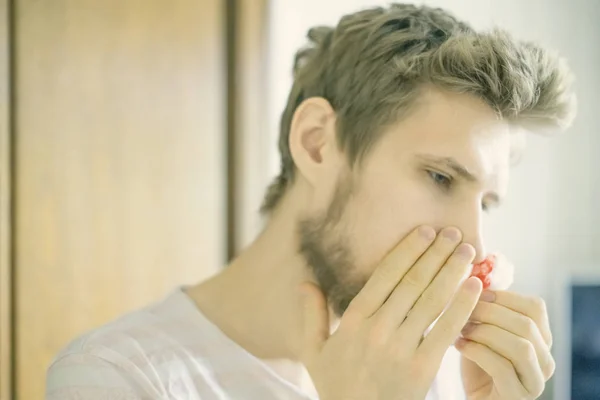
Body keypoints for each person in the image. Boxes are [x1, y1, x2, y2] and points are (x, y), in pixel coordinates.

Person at [46, 3, 576, 400]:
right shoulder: (115, 376)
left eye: (486, 203)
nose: (474, 244)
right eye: (440, 177)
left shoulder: (439, 374)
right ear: (318, 142)